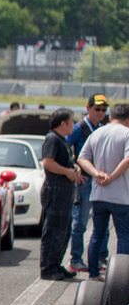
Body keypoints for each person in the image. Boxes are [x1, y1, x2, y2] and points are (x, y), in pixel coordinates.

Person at [77, 102, 129, 282]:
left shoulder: (96, 133)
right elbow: (128, 159)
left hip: (98, 194)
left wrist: (96, 173)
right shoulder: (127, 133)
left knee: (97, 234)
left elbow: (82, 159)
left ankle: (93, 273)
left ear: (111, 116)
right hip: (121, 195)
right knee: (123, 235)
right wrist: (112, 176)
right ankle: (120, 277)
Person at [67, 94, 110, 273]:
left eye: (103, 110)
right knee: (80, 222)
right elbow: (64, 146)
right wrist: (74, 165)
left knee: (103, 223)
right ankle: (76, 259)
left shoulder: (102, 128)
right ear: (88, 108)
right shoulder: (79, 128)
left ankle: (101, 257)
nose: (100, 112)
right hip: (84, 180)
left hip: (99, 180)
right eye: (97, 109)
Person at [40, 108, 80, 280]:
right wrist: (67, 172)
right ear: (63, 123)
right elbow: (48, 163)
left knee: (63, 230)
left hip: (64, 192)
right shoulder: (52, 139)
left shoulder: (61, 140)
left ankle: (55, 264)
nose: (73, 125)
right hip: (55, 191)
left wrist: (74, 168)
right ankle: (48, 267)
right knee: (54, 229)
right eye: (71, 122)